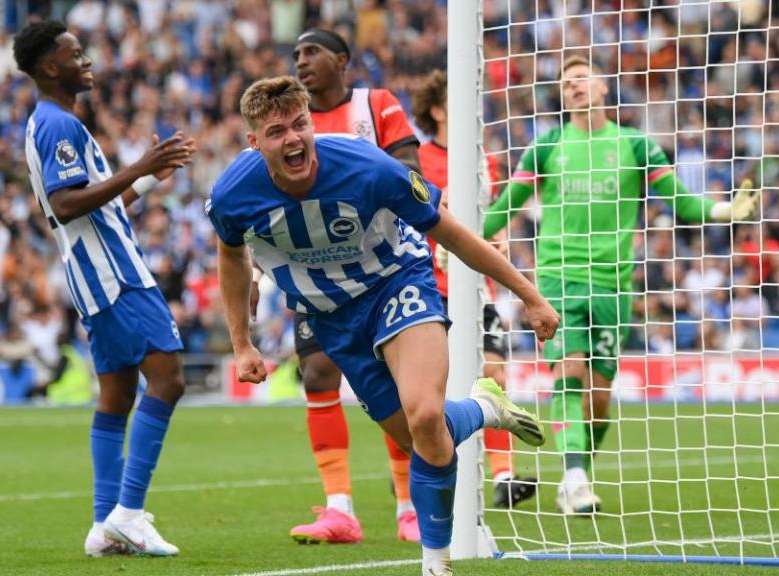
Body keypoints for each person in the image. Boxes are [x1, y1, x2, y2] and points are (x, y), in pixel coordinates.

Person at [209, 75, 559, 576]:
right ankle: (483, 408)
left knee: (422, 415)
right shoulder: (232, 194)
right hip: (332, 317)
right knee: (424, 439)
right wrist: (242, 343)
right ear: (254, 141)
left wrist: (529, 296)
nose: (293, 139)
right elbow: (231, 257)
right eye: (276, 130)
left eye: (300, 124)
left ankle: (435, 563)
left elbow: (454, 234)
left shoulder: (368, 166)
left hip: (399, 283)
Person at [482, 55, 760, 515]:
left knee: (599, 400)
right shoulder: (546, 146)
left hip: (612, 286)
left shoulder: (635, 145)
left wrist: (722, 212)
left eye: (582, 78)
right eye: (566, 82)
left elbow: (677, 200)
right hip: (557, 279)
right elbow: (506, 207)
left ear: (602, 86)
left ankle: (577, 472)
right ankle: (573, 479)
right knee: (568, 374)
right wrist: (460, 233)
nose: (574, 86)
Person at [13, 20, 197, 557]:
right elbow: (67, 204)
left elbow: (91, 206)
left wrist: (146, 177)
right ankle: (130, 512)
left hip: (91, 276)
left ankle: (102, 524)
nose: (86, 60)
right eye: (76, 53)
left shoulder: (49, 122)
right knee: (168, 380)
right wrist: (139, 163)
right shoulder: (58, 125)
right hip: (114, 274)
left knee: (116, 397)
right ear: (51, 66)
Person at [282, 28, 423, 543]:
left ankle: (408, 505)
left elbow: (410, 166)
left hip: (380, 267)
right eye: (296, 54)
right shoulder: (290, 124)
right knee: (318, 373)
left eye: (312, 52)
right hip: (313, 270)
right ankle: (339, 509)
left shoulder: (377, 104)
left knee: (394, 381)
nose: (301, 62)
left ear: (341, 60)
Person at [411, 69, 536, 509]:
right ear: (440, 110)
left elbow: (492, 221)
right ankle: (421, 464)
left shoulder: (487, 161)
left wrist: (498, 238)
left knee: (495, 374)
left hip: (477, 289)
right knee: (429, 391)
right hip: (430, 288)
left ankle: (504, 478)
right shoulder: (418, 158)